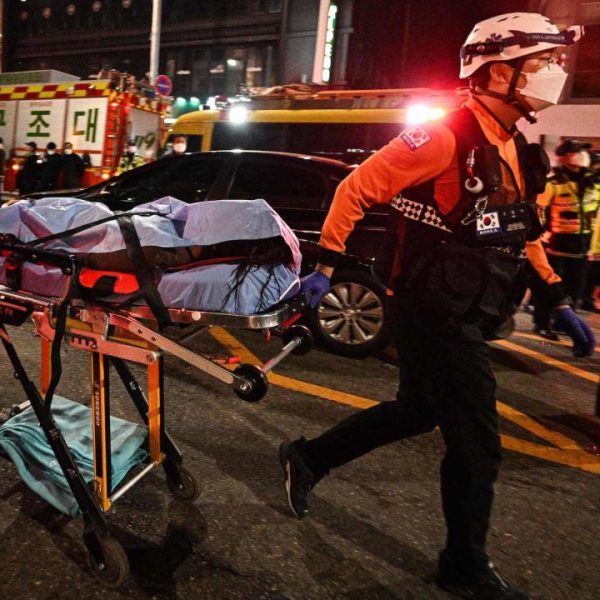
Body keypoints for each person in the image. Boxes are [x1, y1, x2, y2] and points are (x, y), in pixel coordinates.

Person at [279, 12, 595, 600]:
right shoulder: (446, 136)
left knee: (417, 410)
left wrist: (555, 297)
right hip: (432, 308)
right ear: (497, 73)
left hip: (470, 304)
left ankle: (308, 458)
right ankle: (463, 565)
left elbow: (521, 229)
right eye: (540, 63)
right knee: (477, 442)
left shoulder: (515, 145)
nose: (554, 73)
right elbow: (354, 189)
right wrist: (325, 265)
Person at [531, 140, 600, 333]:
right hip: (557, 246)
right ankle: (542, 323)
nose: (579, 156)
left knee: (575, 290)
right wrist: (542, 236)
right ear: (563, 158)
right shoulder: (554, 183)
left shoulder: (593, 181)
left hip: (583, 247)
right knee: (551, 289)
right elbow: (539, 210)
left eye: (579, 152)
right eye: (573, 153)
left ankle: (564, 324)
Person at [581, 151, 600, 312]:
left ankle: (587, 299)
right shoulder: (584, 184)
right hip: (584, 235)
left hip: (593, 235)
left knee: (593, 272)